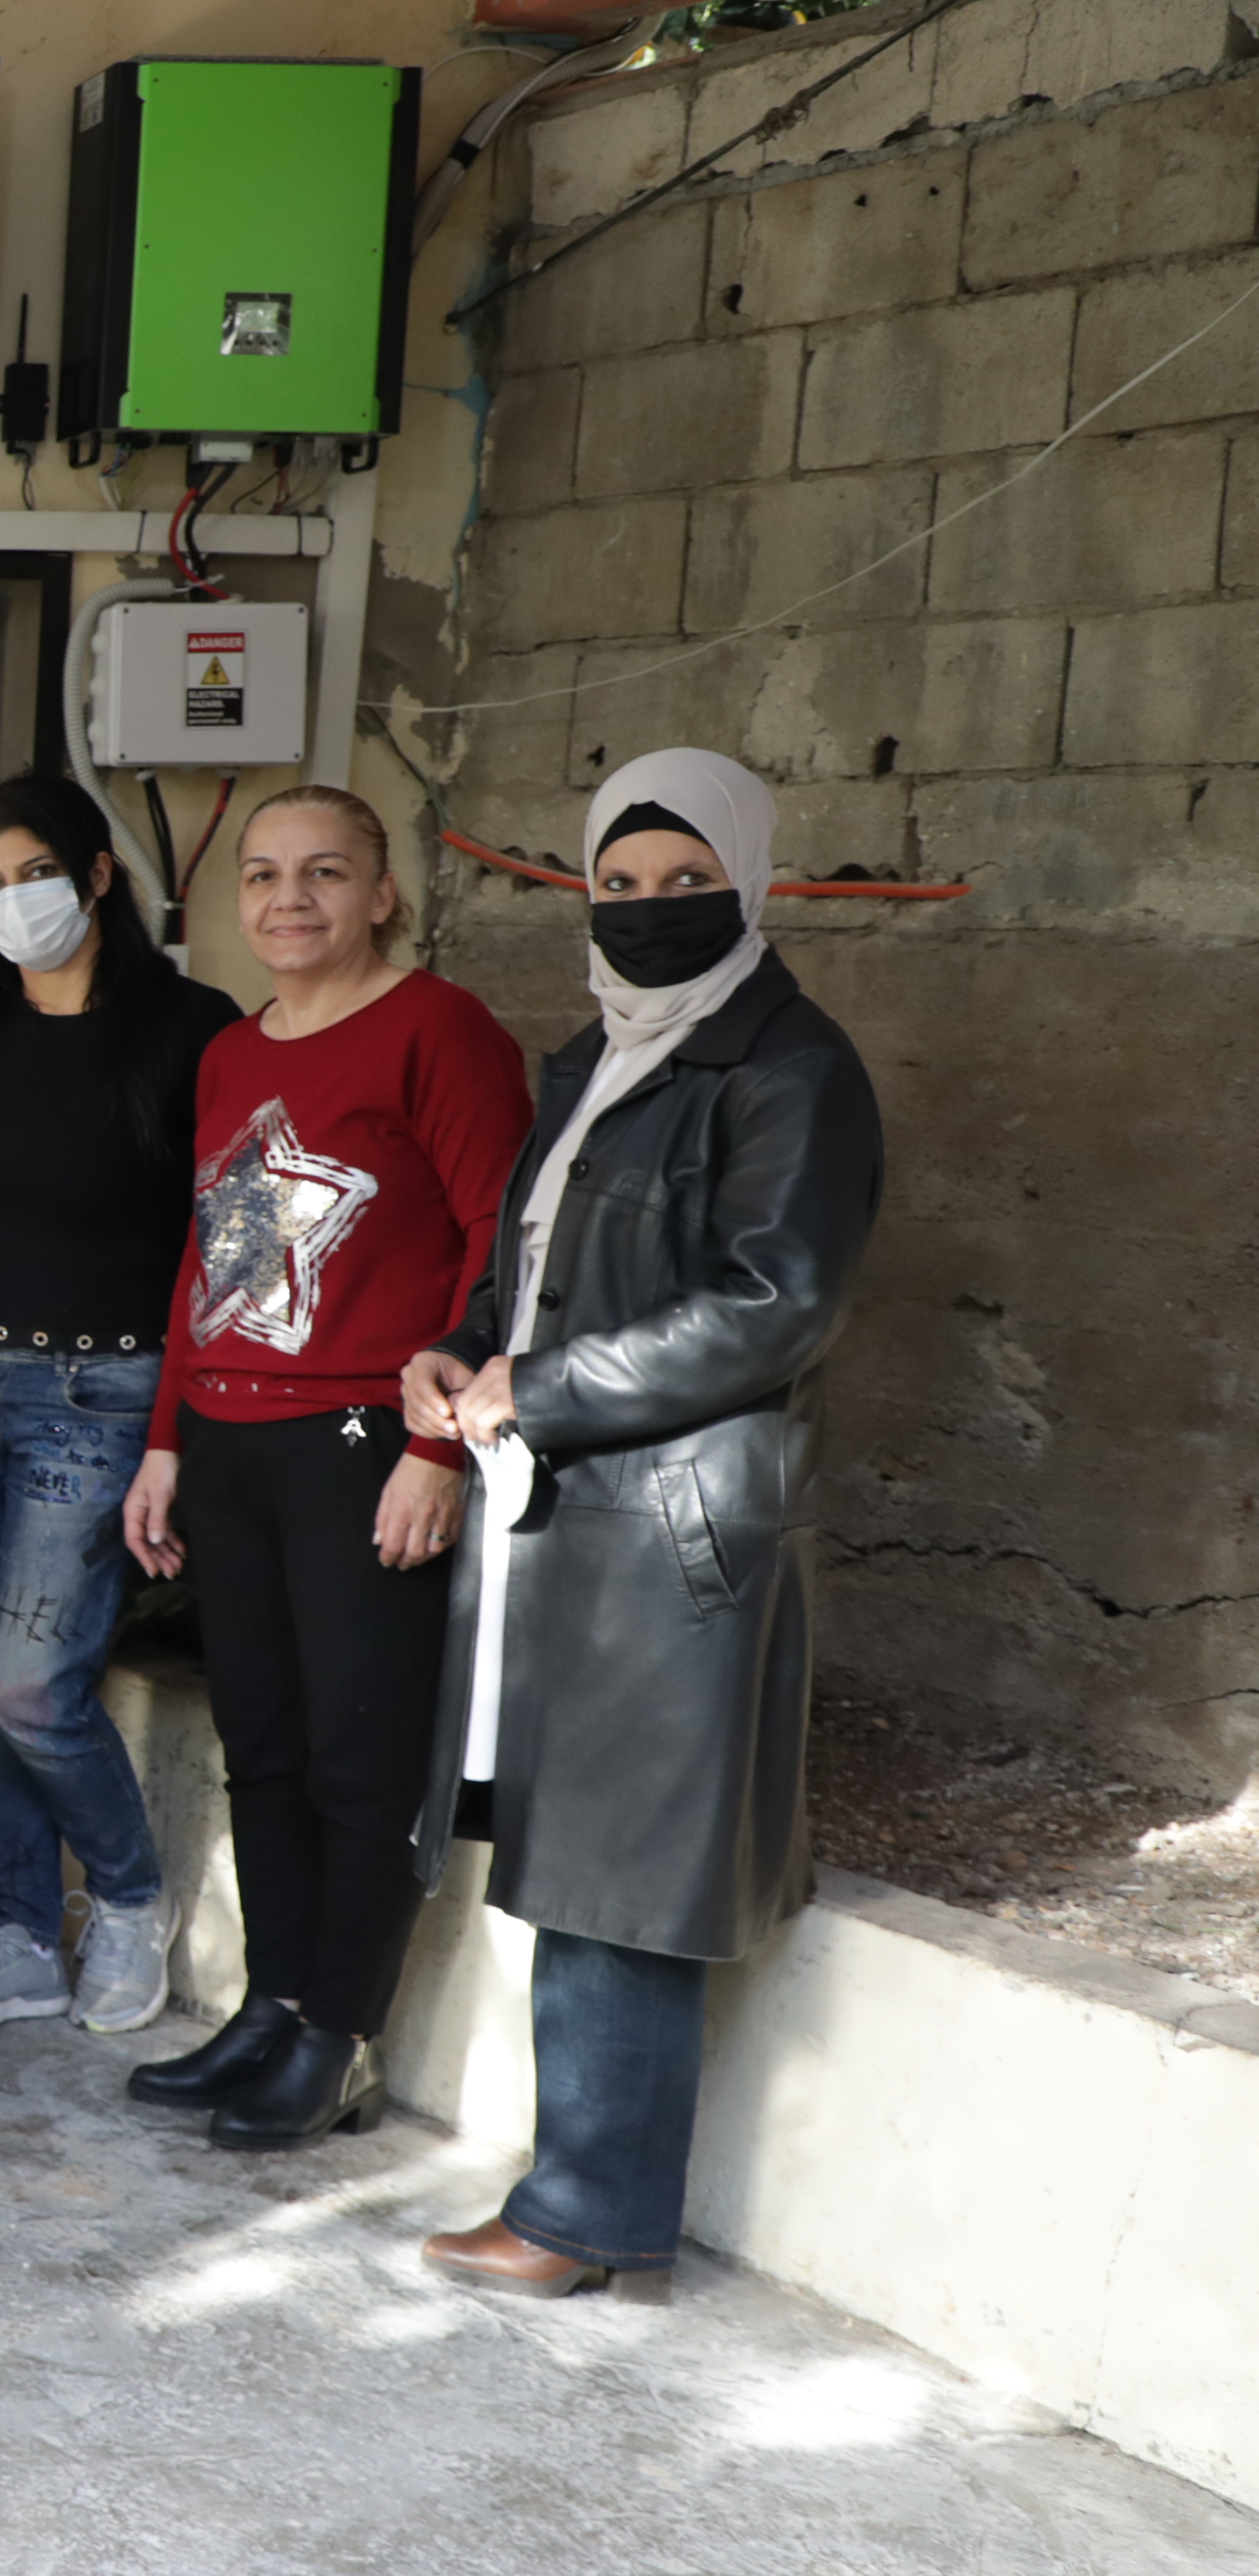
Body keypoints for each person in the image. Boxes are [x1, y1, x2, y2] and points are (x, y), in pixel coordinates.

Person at [408, 752, 882, 2299]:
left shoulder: (791, 1070)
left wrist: (535, 1389)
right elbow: (531, 1262)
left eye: (688, 884)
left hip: (673, 1525)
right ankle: (576, 2193)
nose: (652, 912)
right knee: (575, 1853)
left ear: (749, 884)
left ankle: (589, 2213)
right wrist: (465, 1351)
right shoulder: (599, 1058)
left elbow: (774, 1306)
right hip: (576, 1505)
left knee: (621, 1873)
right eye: (622, 886)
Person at [112, 785, 531, 2149]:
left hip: (361, 1435)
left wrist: (438, 1446)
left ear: (382, 893)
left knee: (358, 1753)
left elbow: (499, 1247)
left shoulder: (439, 1031)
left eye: (327, 874)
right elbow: (211, 1257)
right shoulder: (234, 1052)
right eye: (267, 874)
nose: (292, 900)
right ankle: (274, 2002)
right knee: (266, 1745)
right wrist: (169, 1436)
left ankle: (341, 2036)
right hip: (233, 1438)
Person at [0, 773, 240, 2040]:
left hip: (98, 1396)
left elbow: (225, 1244)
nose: (8, 905)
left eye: (30, 875)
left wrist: (176, 1430)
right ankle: (22, 1933)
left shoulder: (193, 1031)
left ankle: (133, 1898)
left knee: (32, 1686)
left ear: (98, 876)